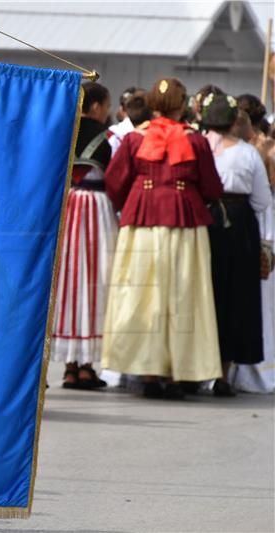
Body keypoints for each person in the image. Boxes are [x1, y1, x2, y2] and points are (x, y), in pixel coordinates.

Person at [101, 78, 224, 400]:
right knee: (184, 292)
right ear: (183, 105)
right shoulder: (194, 141)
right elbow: (212, 188)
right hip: (185, 222)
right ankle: (177, 372)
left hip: (142, 221)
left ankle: (148, 371)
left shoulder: (133, 139)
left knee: (142, 295)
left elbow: (115, 183)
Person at [202, 93, 272, 395]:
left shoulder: (201, 146)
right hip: (240, 224)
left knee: (206, 294)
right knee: (236, 296)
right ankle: (223, 373)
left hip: (206, 221)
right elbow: (261, 201)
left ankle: (195, 370)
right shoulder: (247, 154)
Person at [51, 82, 117, 389]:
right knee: (93, 282)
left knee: (67, 283)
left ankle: (70, 365)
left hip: (67, 208)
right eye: (106, 106)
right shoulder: (109, 139)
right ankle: (87, 365)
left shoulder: (63, 131)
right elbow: (116, 178)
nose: (107, 112)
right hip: (96, 210)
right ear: (94, 107)